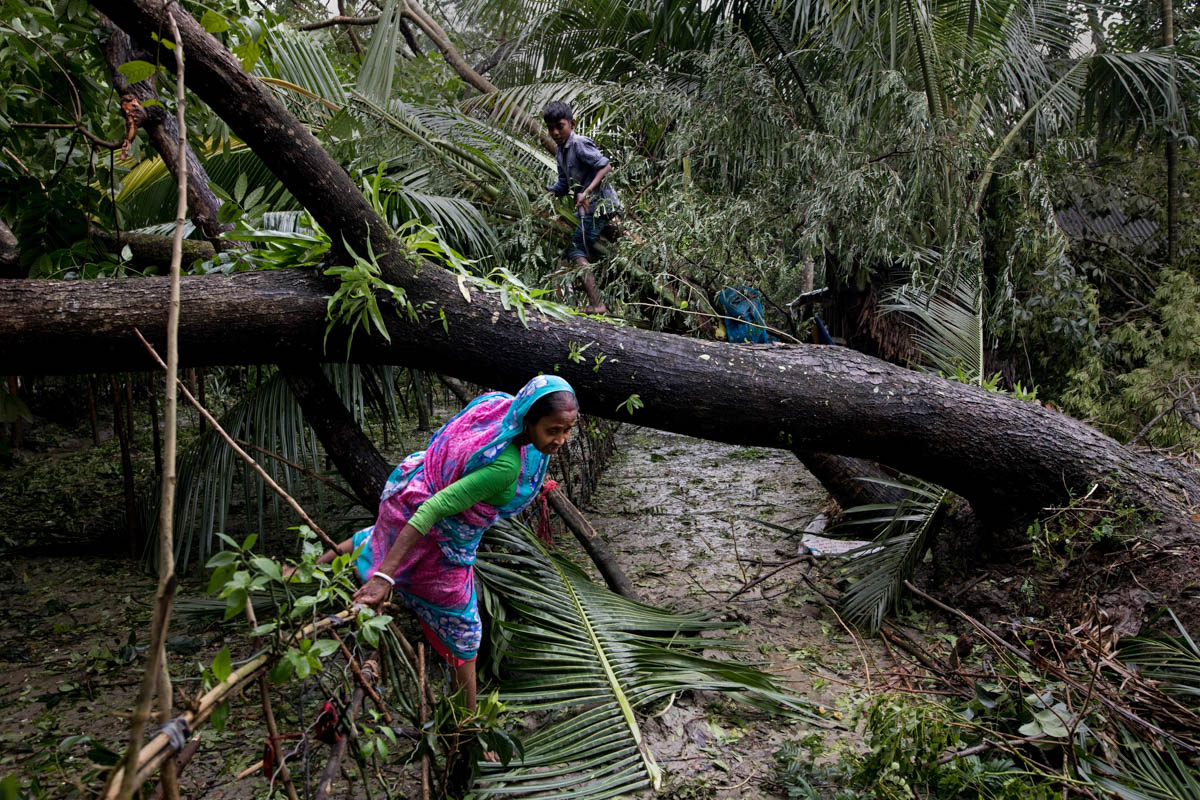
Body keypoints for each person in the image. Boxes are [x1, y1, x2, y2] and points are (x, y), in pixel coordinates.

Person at [298, 375, 578, 713]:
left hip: (409, 487)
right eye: (553, 430)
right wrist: (383, 578)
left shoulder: (498, 406)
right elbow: (433, 509)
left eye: (567, 429)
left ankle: (300, 572)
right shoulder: (505, 467)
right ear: (528, 419)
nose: (561, 439)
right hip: (435, 531)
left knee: (374, 538)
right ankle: (469, 725)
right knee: (465, 633)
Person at [543, 100, 621, 315]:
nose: (556, 132)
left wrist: (586, 192)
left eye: (560, 126)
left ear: (572, 123)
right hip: (588, 208)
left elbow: (606, 167)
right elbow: (563, 184)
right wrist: (547, 192)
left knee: (576, 249)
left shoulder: (579, 144)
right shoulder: (560, 151)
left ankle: (598, 304)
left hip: (601, 205)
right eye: (551, 128)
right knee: (585, 251)